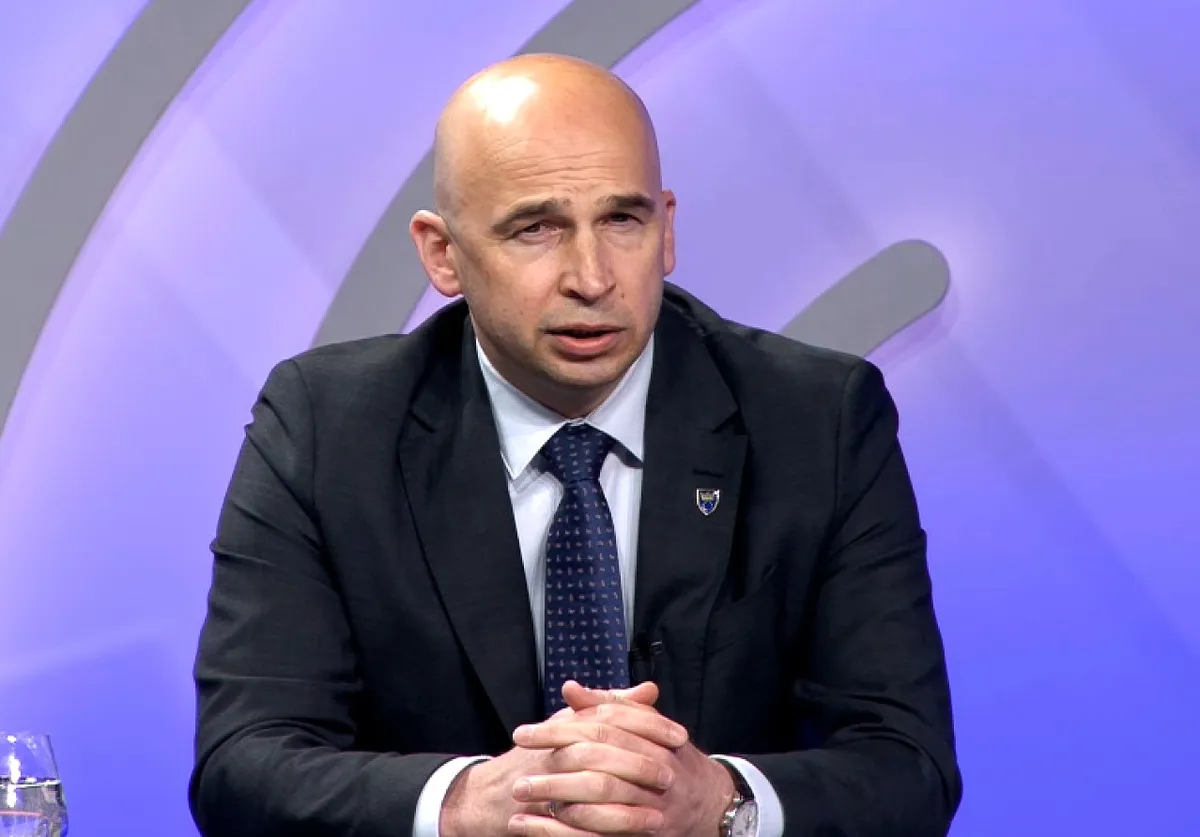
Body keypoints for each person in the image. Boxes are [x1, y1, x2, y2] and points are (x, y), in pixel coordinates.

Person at [189, 53, 962, 837]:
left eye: (623, 220)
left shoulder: (818, 420)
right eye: (537, 228)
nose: (592, 278)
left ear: (667, 229)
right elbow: (243, 763)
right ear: (442, 253)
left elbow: (908, 762)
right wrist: (467, 805)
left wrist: (722, 802)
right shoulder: (327, 429)